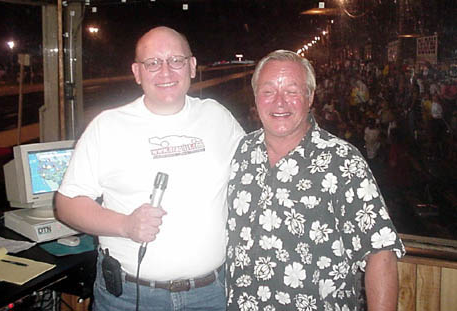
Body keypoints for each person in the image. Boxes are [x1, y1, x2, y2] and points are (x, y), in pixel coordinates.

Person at [56, 26, 244, 311]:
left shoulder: (217, 117)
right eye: (153, 63)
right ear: (137, 72)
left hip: (212, 294)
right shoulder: (108, 127)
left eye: (176, 60)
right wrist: (125, 225)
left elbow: (255, 177)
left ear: (192, 66)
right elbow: (66, 204)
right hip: (129, 297)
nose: (166, 71)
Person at [226, 50, 405, 311]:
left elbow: (381, 254)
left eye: (292, 91)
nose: (279, 102)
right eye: (268, 91)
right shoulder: (241, 152)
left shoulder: (342, 161)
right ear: (255, 98)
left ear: (310, 97)